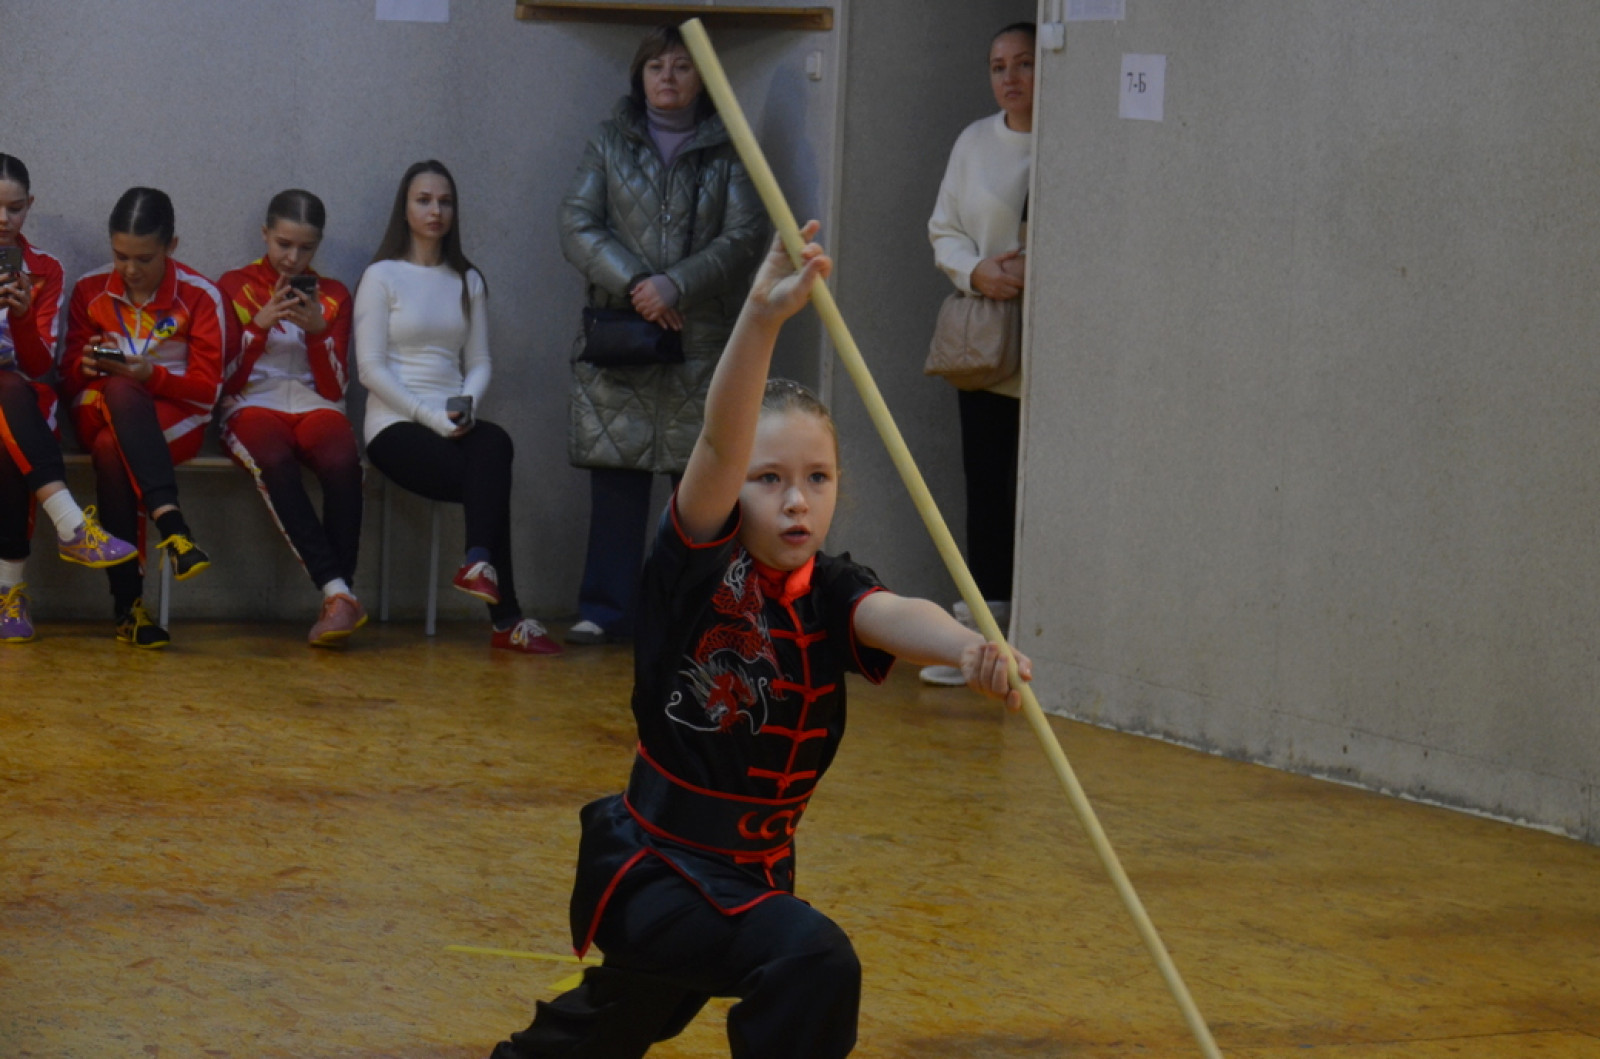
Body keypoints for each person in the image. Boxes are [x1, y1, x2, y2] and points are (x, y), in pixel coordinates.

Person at [487, 225, 1032, 1059]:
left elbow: (894, 612)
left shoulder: (829, 586)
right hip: (659, 871)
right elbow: (718, 441)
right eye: (768, 478)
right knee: (812, 959)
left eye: (818, 478)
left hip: (749, 876)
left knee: (628, 1013)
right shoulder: (696, 567)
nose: (796, 501)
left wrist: (967, 649)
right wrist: (763, 316)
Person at [560, 23, 767, 646]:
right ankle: (605, 609)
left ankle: (695, 613)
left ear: (701, 77)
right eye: (656, 67)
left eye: (681, 66)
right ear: (640, 77)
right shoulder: (608, 141)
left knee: (700, 489)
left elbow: (746, 236)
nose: (668, 77)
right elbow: (576, 224)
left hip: (698, 339)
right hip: (622, 333)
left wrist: (677, 285)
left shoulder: (728, 148)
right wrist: (638, 285)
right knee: (616, 481)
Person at [354, 160, 559, 654]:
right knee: (488, 479)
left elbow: (480, 361)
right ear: (405, 209)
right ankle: (506, 618)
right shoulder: (381, 276)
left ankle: (478, 562)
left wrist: (463, 407)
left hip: (452, 418)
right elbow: (370, 370)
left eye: (445, 202)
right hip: (396, 425)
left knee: (496, 443)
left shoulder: (467, 280)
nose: (436, 211)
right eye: (424, 200)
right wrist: (431, 418)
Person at [920, 21, 1036, 686]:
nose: (1010, 77)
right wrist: (977, 272)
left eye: (1024, 63)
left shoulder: (1069, 142)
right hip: (990, 340)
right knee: (987, 486)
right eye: (998, 66)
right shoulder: (973, 141)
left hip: (1052, 341)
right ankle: (982, 640)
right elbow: (945, 229)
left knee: (1034, 492)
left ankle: (1035, 637)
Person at [61, 186, 223, 649]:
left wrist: (152, 376)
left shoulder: (200, 295)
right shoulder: (90, 288)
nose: (130, 270)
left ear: (172, 246)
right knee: (118, 389)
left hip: (176, 416)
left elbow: (207, 392)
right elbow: (66, 378)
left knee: (113, 450)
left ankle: (128, 609)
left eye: (145, 259)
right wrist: (84, 365)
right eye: (120, 256)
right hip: (98, 405)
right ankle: (174, 530)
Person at [0, 154, 138, 643]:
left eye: (15, 208)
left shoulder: (45, 270)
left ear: (30, 205)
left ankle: (8, 595)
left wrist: (21, 317)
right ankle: (71, 526)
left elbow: (40, 364)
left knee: (10, 408)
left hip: (20, 402)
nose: (4, 219)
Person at [219, 189, 365, 647]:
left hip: (315, 404)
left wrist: (319, 332)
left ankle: (338, 599)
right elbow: (224, 380)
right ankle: (339, 593)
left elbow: (335, 389)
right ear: (265, 234)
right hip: (251, 404)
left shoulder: (334, 295)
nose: (292, 258)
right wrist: (258, 326)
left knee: (345, 464)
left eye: (306, 248)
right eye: (283, 244)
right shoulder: (234, 286)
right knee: (275, 463)